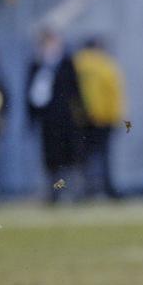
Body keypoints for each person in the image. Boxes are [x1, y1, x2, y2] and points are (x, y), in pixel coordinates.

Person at [27, 28, 86, 203]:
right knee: (51, 161)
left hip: (67, 120)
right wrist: (32, 118)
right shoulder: (37, 65)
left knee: (70, 159)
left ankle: (73, 193)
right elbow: (30, 95)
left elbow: (77, 92)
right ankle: (54, 193)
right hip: (48, 121)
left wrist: (81, 115)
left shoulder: (67, 63)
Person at [74, 36, 126, 199]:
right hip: (104, 118)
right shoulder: (106, 64)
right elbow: (114, 93)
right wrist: (118, 117)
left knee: (82, 158)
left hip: (81, 119)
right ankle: (108, 189)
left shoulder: (76, 64)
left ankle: (84, 190)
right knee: (104, 157)